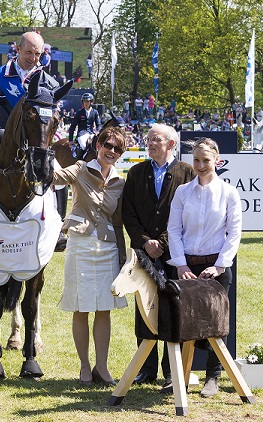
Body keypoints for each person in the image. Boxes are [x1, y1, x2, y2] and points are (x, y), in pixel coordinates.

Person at [166, 137, 242, 398]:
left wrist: (219, 267)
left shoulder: (229, 193)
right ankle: (181, 376)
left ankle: (213, 376)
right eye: (196, 160)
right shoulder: (182, 192)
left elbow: (234, 234)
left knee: (216, 322)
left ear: (217, 161)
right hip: (186, 267)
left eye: (205, 160)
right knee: (185, 321)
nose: (200, 165)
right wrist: (181, 264)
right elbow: (174, 230)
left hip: (216, 269)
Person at [53, 126, 127, 386]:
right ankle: (85, 367)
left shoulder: (120, 182)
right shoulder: (81, 168)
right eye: (108, 145)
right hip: (80, 244)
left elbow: (118, 221)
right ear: (98, 145)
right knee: (81, 307)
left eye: (118, 148)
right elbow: (56, 178)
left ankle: (102, 367)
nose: (112, 151)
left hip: (107, 248)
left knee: (104, 309)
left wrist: (122, 255)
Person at [122, 123, 195, 392]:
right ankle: (147, 368)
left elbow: (187, 213)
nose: (150, 143)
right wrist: (144, 242)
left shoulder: (186, 173)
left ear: (171, 144)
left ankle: (170, 370)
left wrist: (162, 243)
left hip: (174, 252)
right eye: (148, 139)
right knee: (145, 309)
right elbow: (127, 212)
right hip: (144, 253)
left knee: (173, 308)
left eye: (156, 140)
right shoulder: (137, 172)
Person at [0, 31, 58, 188]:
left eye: (37, 54)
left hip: (35, 149)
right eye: (29, 52)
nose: (33, 59)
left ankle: (57, 213)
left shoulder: (50, 85)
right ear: (18, 49)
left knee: (58, 180)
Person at [68, 92, 101, 159]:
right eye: (84, 101)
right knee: (83, 145)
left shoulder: (95, 112)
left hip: (91, 133)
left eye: (87, 101)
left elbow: (98, 124)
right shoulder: (79, 112)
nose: (86, 103)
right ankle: (79, 161)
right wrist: (70, 139)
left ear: (91, 102)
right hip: (82, 133)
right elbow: (73, 126)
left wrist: (98, 131)